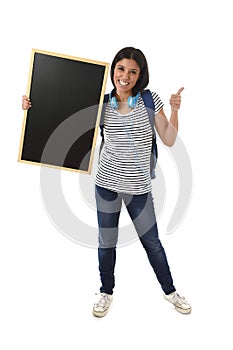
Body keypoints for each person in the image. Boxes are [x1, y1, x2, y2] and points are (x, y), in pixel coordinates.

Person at [22, 46, 191, 317]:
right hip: (107, 187)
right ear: (113, 69)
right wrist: (33, 104)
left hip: (139, 190)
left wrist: (174, 111)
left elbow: (169, 139)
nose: (125, 76)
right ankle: (106, 292)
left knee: (153, 244)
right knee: (106, 243)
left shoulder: (150, 100)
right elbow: (61, 116)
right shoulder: (100, 103)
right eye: (121, 69)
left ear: (140, 76)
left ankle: (170, 291)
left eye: (133, 72)